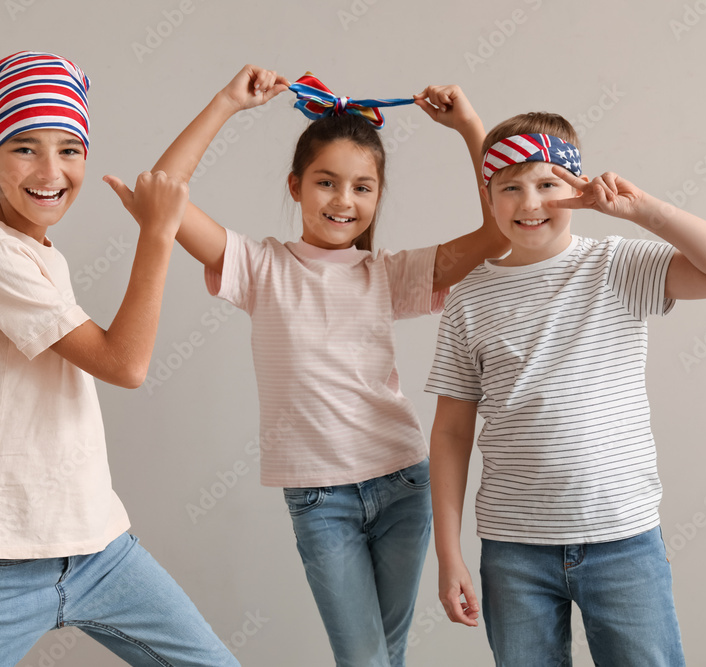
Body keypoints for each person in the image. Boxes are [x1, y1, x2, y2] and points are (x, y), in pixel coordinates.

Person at [127, 65, 508, 666]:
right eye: (327, 183)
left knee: (387, 656)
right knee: (365, 660)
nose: (343, 201)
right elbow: (159, 191)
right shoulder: (260, 267)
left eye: (362, 187)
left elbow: (500, 230)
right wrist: (226, 102)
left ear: (378, 196)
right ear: (296, 186)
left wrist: (469, 128)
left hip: (404, 483)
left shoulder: (389, 274)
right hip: (320, 500)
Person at [0, 51, 239, 667]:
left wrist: (227, 101)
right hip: (0, 569)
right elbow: (125, 364)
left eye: (70, 149)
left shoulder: (37, 252)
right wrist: (156, 236)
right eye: (25, 147)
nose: (51, 169)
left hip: (97, 547)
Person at [425, 111, 706, 665]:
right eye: (510, 188)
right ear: (489, 198)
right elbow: (451, 431)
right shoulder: (468, 300)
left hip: (623, 540)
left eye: (548, 184)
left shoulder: (617, 265)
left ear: (578, 189)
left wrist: (643, 210)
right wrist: (448, 553)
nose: (530, 203)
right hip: (513, 550)